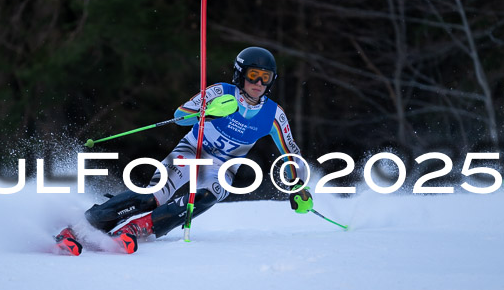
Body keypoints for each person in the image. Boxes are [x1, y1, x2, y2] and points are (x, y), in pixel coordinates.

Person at [55, 46, 313, 256]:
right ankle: (79, 228)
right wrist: (207, 112)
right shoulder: (219, 92)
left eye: (265, 77)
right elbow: (180, 116)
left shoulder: (273, 114)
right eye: (253, 74)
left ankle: (139, 228)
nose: (258, 83)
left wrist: (298, 185)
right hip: (192, 150)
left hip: (222, 167)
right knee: (153, 196)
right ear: (240, 74)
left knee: (211, 194)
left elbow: (290, 151)